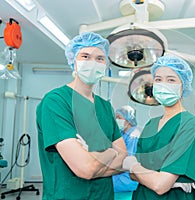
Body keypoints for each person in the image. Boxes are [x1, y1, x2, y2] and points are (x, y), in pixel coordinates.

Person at [36, 32, 127, 200]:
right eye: (85, 56)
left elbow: (123, 159)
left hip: (104, 196)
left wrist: (94, 159)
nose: (93, 63)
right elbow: (85, 168)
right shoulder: (56, 101)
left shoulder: (105, 106)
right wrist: (110, 152)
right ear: (73, 61)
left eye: (99, 58)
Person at [122, 55, 195, 199]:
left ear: (183, 85)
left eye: (171, 80)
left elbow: (160, 186)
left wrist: (134, 166)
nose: (163, 84)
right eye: (158, 80)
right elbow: (133, 176)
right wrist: (156, 177)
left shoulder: (189, 125)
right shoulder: (150, 124)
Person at [113, 105, 141, 200]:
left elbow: (128, 161)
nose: (117, 120)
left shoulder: (134, 135)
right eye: (116, 117)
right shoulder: (122, 132)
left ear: (128, 119)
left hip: (127, 178)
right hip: (119, 173)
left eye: (119, 117)